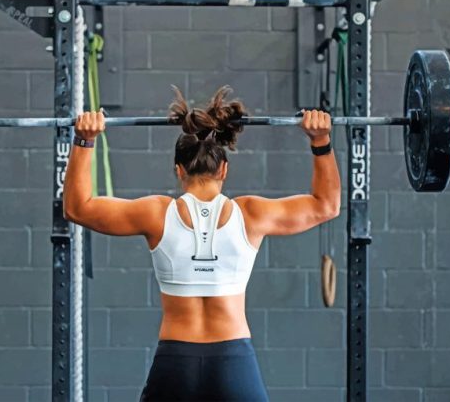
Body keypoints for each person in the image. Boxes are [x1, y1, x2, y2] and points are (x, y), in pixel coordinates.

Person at [63, 85, 341, 401]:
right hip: (234, 361)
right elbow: (326, 205)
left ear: (178, 169)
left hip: (175, 362)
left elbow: (77, 207)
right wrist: (321, 142)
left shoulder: (156, 214)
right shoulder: (251, 214)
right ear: (224, 168)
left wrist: (84, 141)